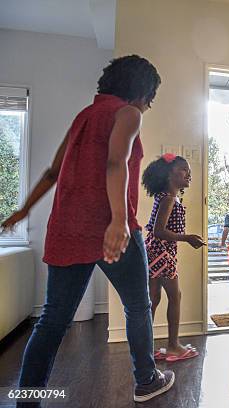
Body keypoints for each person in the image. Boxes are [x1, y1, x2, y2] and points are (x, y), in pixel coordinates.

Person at [0, 55, 174, 405]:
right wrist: (118, 220)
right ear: (140, 92)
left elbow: (52, 172)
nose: (149, 105)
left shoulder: (84, 116)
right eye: (150, 96)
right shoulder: (128, 114)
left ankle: (27, 399)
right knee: (138, 305)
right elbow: (116, 162)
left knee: (52, 319)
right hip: (113, 229)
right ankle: (146, 380)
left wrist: (23, 209)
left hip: (68, 230)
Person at [142, 154, 204, 362]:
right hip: (162, 253)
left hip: (154, 251)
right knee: (174, 297)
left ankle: (145, 348)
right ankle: (173, 346)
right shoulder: (168, 198)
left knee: (153, 299)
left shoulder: (167, 196)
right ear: (170, 174)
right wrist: (187, 238)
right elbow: (159, 231)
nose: (189, 174)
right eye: (184, 170)